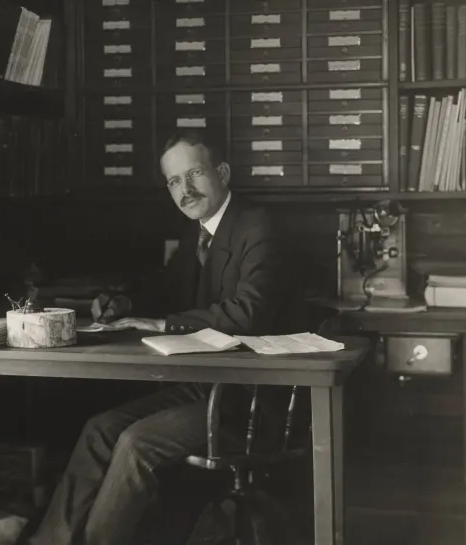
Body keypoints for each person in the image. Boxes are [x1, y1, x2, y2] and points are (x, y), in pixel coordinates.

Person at [26, 131, 303, 545]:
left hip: (250, 399)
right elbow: (164, 288)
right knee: (100, 430)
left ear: (222, 173)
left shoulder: (258, 226)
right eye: (174, 181)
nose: (185, 190)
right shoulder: (199, 232)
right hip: (204, 387)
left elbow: (249, 312)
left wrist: (165, 324)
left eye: (194, 174)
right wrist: (124, 302)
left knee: (137, 444)